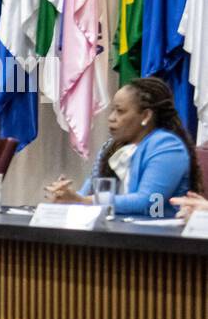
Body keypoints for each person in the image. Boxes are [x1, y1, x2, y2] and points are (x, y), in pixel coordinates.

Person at [45, 77, 199, 219]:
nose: (111, 117)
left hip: (158, 240)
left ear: (146, 116)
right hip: (115, 233)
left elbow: (148, 201)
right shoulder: (111, 147)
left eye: (120, 111)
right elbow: (87, 193)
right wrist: (65, 197)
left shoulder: (167, 146)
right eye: (112, 110)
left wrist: (83, 200)